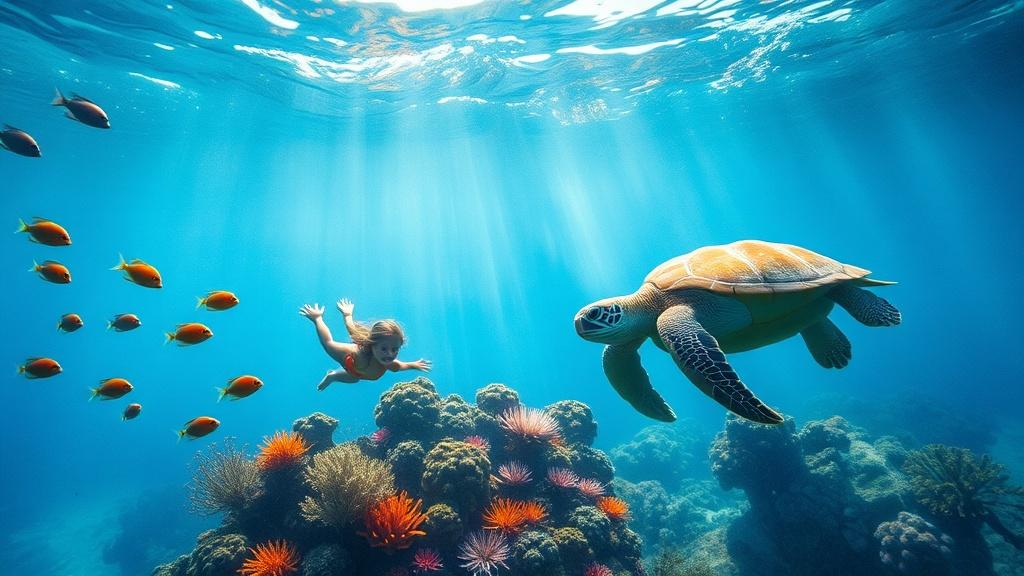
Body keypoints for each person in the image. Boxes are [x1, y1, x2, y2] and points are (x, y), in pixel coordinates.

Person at [299, 298, 431, 391]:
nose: (390, 354)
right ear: (372, 344)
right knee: (328, 344)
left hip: (357, 374)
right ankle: (318, 319)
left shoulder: (390, 364)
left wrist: (414, 365)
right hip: (350, 361)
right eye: (384, 348)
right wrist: (347, 314)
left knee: (354, 379)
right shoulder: (357, 352)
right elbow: (351, 329)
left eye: (395, 349)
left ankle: (332, 376)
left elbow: (402, 365)